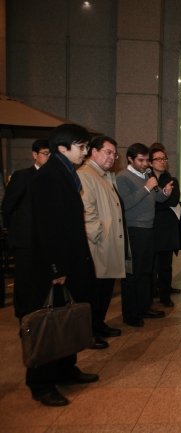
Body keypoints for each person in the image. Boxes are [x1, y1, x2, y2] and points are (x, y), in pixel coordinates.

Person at [26, 124, 99, 406]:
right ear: (62, 148)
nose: (85, 152)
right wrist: (56, 268)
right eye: (81, 147)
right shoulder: (48, 177)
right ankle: (41, 382)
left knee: (67, 318)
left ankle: (66, 369)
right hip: (54, 266)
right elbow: (48, 227)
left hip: (71, 260)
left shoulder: (66, 173)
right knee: (49, 323)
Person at [77, 136, 127, 346]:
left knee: (105, 288)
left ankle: (99, 323)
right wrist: (99, 236)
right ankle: (90, 331)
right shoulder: (85, 175)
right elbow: (87, 211)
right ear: (93, 152)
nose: (111, 157)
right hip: (97, 243)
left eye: (114, 154)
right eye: (107, 152)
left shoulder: (104, 176)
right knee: (94, 290)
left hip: (109, 242)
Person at [116, 143, 173, 327]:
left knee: (146, 272)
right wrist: (146, 188)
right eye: (141, 160)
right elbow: (124, 203)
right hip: (134, 229)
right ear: (130, 159)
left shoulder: (147, 176)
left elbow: (157, 198)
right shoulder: (123, 177)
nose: (145, 164)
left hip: (149, 228)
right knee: (132, 274)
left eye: (147, 160)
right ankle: (130, 313)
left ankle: (144, 307)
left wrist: (165, 192)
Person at [2, 139, 50, 322]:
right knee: (24, 279)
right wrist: (16, 228)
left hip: (44, 238)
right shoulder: (22, 175)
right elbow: (7, 206)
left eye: (51, 154)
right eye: (45, 153)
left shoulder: (52, 177)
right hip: (25, 238)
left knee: (41, 279)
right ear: (34, 155)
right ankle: (23, 315)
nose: (49, 157)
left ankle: (39, 311)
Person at [149, 146, 180, 308]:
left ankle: (165, 295)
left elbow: (173, 201)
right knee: (150, 266)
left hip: (167, 227)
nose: (162, 162)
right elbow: (148, 203)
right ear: (150, 162)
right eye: (158, 159)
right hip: (151, 226)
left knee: (165, 266)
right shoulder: (146, 178)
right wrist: (161, 200)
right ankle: (149, 294)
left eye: (164, 159)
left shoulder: (171, 179)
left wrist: (157, 200)